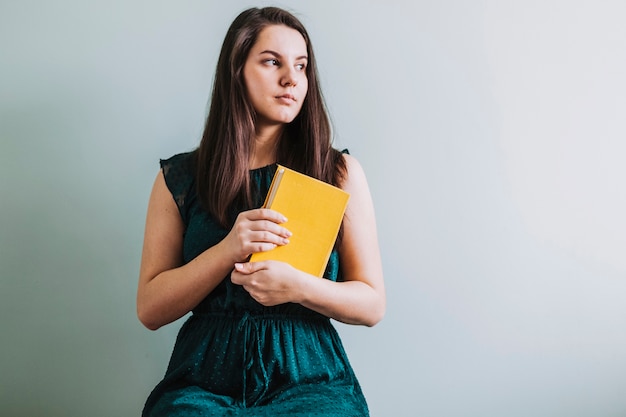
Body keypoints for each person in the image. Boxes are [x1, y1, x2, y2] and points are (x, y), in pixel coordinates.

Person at [137, 6, 385, 416]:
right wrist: (227, 250)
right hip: (204, 377)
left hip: (309, 378)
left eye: (301, 67)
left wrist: (299, 288)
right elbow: (150, 308)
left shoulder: (337, 172)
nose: (292, 79)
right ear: (237, 70)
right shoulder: (179, 179)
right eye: (273, 62)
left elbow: (372, 304)